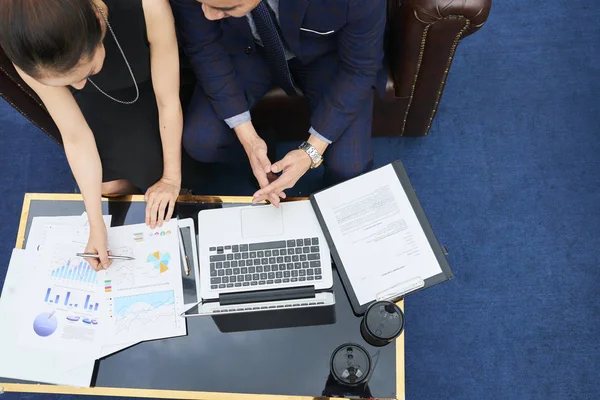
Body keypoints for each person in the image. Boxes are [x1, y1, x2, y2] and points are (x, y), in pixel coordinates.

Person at [0, 0, 183, 270]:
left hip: (153, 86)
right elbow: (74, 134)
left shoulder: (149, 6)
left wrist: (171, 177)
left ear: (98, 25)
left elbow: (168, 100)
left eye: (86, 72)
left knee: (158, 167)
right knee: (106, 188)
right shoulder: (30, 49)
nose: (79, 86)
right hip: (100, 103)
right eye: (66, 83)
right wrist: (95, 224)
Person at [170, 0, 387, 206]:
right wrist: (249, 140)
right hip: (246, 49)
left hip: (325, 55)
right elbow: (203, 47)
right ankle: (263, 148)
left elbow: (360, 67)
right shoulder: (207, 7)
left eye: (226, 7)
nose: (207, 14)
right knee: (202, 141)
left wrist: (311, 151)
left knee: (350, 166)